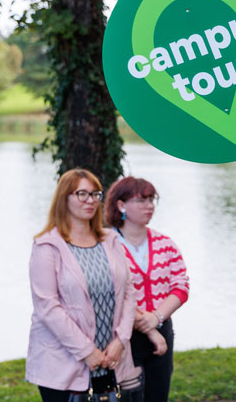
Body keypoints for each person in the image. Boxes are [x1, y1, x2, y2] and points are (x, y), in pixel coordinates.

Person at [26, 168, 141, 402]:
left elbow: (129, 292)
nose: (91, 200)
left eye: (95, 194)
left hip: (111, 361)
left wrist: (121, 340)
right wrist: (87, 351)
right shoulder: (47, 247)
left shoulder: (110, 241)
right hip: (63, 364)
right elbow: (47, 308)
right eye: (82, 194)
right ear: (64, 199)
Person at [105, 176, 190, 402]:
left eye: (152, 200)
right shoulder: (106, 244)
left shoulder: (166, 243)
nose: (149, 206)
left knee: (158, 395)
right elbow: (111, 295)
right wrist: (147, 326)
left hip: (162, 329)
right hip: (121, 336)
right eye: (141, 200)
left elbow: (181, 286)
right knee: (126, 397)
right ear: (121, 205)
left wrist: (157, 318)